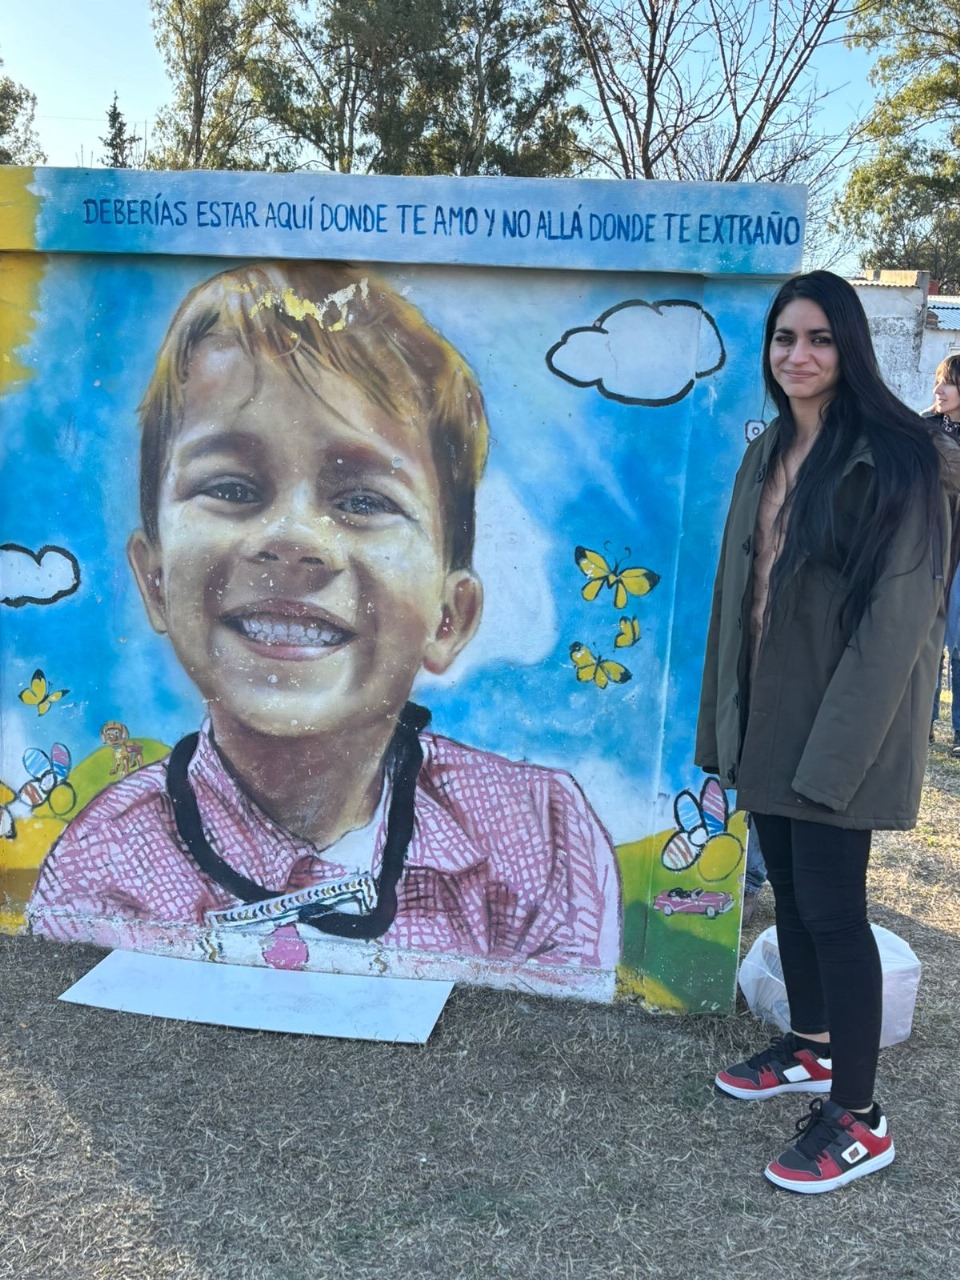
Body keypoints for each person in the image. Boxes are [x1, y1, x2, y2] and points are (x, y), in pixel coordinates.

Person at [28, 260, 621, 976]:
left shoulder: (542, 837)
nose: (294, 539)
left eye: (365, 501)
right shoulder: (105, 866)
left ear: (449, 616)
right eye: (231, 486)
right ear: (154, 581)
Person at [695, 270, 959, 1194]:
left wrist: (836, 757)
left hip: (840, 720)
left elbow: (900, 622)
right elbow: (742, 597)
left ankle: (860, 1115)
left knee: (836, 911)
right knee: (794, 904)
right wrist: (726, 721)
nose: (797, 357)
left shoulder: (898, 460)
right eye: (784, 340)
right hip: (766, 712)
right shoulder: (766, 451)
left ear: (850, 348)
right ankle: (808, 1046)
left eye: (819, 339)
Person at [928, 355, 960, 752]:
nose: (939, 389)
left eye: (948, 383)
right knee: (927, 638)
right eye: (938, 380)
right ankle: (923, 719)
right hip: (932, 547)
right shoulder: (923, 429)